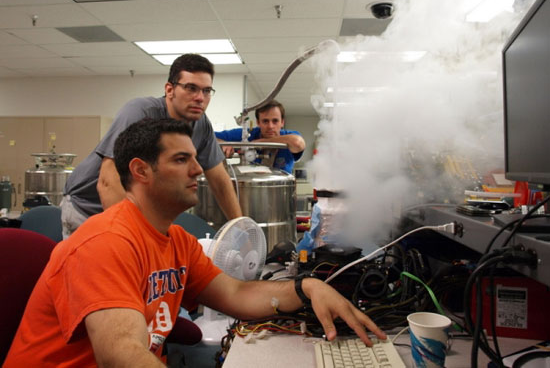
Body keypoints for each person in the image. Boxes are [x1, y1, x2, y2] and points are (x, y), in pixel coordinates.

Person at [4, 119, 386, 367]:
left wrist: (306, 288)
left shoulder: (176, 241)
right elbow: (122, 355)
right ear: (141, 170)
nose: (198, 169)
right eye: (181, 159)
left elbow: (236, 293)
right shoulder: (106, 242)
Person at [60, 53, 241, 239]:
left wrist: (241, 229)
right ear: (170, 90)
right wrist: (136, 238)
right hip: (88, 207)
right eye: (191, 88)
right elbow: (108, 181)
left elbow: (219, 179)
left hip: (138, 214)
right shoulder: (140, 112)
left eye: (206, 91)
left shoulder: (201, 125)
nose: (200, 98)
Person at [215, 100, 305, 174]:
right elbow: (207, 137)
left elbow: (298, 143)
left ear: (282, 122)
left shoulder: (288, 136)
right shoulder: (247, 135)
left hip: (280, 191)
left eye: (275, 121)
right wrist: (223, 144)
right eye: (265, 121)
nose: (270, 126)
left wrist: (261, 142)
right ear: (258, 122)